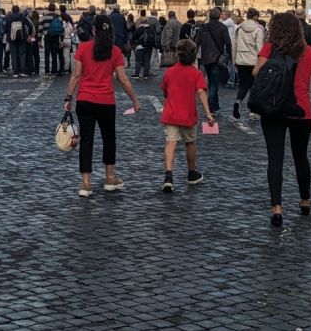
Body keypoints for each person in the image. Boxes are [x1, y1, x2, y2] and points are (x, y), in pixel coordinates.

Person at [253, 11, 311, 226]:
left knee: (275, 158)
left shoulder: (269, 48)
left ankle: (276, 207)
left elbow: (256, 72)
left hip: (273, 109)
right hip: (301, 110)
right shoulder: (308, 51)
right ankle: (305, 201)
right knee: (300, 156)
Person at [63, 16, 141, 198]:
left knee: (87, 141)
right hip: (106, 101)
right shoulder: (115, 52)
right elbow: (123, 79)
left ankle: (85, 183)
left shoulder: (83, 48)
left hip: (85, 100)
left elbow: (76, 75)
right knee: (109, 139)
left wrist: (68, 97)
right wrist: (135, 100)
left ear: (93, 30)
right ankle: (109, 177)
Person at [158, 38, 212, 192]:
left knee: (171, 143)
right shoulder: (196, 74)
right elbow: (201, 92)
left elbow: (165, 91)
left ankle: (168, 176)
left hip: (171, 113)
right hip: (188, 114)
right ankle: (191, 173)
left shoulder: (170, 72)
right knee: (190, 143)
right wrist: (208, 113)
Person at [230, 9, 265, 119]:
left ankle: (238, 100)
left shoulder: (238, 28)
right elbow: (259, 48)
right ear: (255, 17)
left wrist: (234, 60)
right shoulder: (258, 30)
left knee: (244, 84)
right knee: (254, 86)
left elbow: (234, 45)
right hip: (253, 61)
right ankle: (253, 111)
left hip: (241, 60)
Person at [196, 7, 232, 113]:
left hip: (205, 57)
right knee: (213, 83)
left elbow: (197, 43)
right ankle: (211, 105)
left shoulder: (203, 28)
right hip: (217, 58)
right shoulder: (222, 27)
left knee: (212, 81)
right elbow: (228, 43)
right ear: (219, 16)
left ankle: (215, 105)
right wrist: (228, 56)